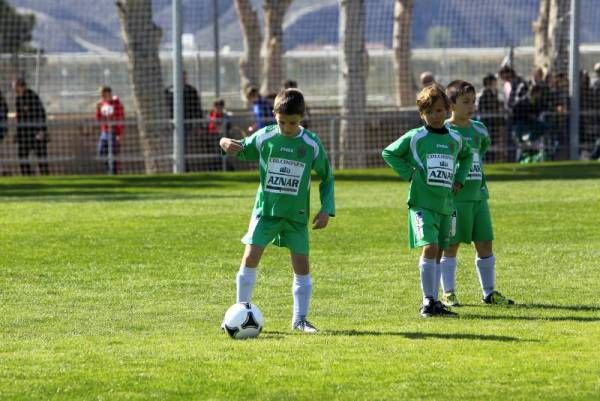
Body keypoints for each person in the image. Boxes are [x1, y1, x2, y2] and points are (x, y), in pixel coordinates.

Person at [219, 88, 335, 333]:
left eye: (292, 123)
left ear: (301, 118)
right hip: (266, 212)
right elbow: (241, 148)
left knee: (301, 264)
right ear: (274, 115)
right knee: (250, 256)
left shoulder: (311, 144)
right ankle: (239, 311)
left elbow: (327, 177)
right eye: (282, 122)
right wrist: (224, 142)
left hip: (296, 216)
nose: (287, 128)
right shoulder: (265, 137)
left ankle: (300, 320)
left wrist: (327, 208)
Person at [382, 84, 473, 318]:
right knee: (430, 247)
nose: (435, 116)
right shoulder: (416, 137)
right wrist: (410, 173)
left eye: (440, 110)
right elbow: (389, 153)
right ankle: (428, 300)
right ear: (422, 114)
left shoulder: (455, 137)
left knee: (440, 251)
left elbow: (468, 155)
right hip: (422, 204)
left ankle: (435, 304)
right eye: (429, 112)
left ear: (447, 110)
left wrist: (459, 180)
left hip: (445, 204)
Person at [439, 80, 514, 307]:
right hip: (454, 200)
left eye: (473, 101)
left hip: (479, 197)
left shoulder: (480, 129)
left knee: (485, 243)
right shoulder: (444, 130)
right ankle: (449, 293)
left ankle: (489, 292)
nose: (471, 106)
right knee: (451, 245)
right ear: (451, 104)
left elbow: (480, 153)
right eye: (465, 102)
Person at [165, 71, 203, 171]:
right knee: (172, 147)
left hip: (185, 124)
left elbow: (197, 108)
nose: (183, 79)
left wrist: (199, 125)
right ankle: (174, 167)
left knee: (182, 146)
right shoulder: (169, 90)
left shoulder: (191, 91)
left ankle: (183, 168)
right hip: (171, 124)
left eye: (184, 77)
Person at [13, 78, 49, 175]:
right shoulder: (17, 100)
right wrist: (17, 133)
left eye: (16, 87)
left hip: (36, 132)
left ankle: (45, 175)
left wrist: (42, 130)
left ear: (22, 86)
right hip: (24, 134)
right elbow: (19, 118)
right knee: (22, 155)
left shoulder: (32, 97)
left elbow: (41, 114)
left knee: (41, 156)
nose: (14, 90)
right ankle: (27, 176)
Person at [96, 86, 125, 174]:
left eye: (105, 94)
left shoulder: (116, 104)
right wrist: (98, 109)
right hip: (105, 132)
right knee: (101, 152)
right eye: (102, 95)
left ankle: (113, 172)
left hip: (114, 132)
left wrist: (119, 134)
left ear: (109, 94)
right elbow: (99, 119)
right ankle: (109, 169)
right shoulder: (101, 104)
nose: (103, 97)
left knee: (113, 153)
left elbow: (120, 119)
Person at [207, 98, 231, 170]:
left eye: (220, 106)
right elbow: (211, 124)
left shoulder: (225, 116)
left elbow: (228, 126)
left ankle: (224, 168)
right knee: (213, 154)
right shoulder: (211, 115)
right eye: (216, 106)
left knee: (222, 153)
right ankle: (214, 168)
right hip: (212, 136)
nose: (218, 108)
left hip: (222, 137)